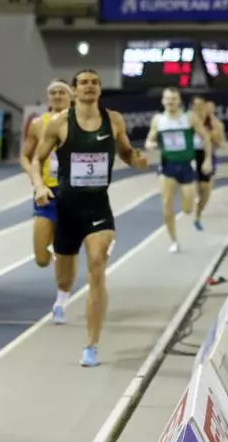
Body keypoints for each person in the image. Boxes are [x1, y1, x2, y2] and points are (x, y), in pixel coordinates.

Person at [29, 68, 149, 367]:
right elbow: (36, 160)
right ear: (75, 90)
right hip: (66, 209)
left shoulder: (114, 120)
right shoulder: (59, 123)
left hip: (98, 208)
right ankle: (62, 295)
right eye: (83, 83)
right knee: (64, 276)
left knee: (97, 266)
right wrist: (40, 185)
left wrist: (136, 159)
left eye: (95, 82)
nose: (89, 86)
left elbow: (125, 152)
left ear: (100, 89)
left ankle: (91, 345)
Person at [20, 78, 73, 323]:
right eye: (53, 93)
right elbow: (26, 157)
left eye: (62, 92)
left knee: (65, 252)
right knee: (42, 258)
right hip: (46, 193)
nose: (58, 96)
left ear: (71, 96)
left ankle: (61, 301)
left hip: (72, 194)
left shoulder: (80, 122)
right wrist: (36, 181)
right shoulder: (38, 124)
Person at [144, 87, 214, 253]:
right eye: (167, 99)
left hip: (186, 165)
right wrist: (150, 144)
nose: (170, 102)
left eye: (174, 99)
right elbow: (149, 139)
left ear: (179, 101)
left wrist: (207, 159)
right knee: (166, 204)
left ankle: (190, 209)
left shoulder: (189, 118)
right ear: (163, 101)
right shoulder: (158, 120)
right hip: (167, 166)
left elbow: (205, 138)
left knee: (187, 209)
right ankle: (174, 240)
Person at [191, 97, 226, 230]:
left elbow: (222, 144)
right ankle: (196, 212)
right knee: (197, 187)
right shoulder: (189, 122)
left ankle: (199, 209)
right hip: (193, 156)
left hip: (208, 157)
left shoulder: (216, 125)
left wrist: (212, 137)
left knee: (205, 190)